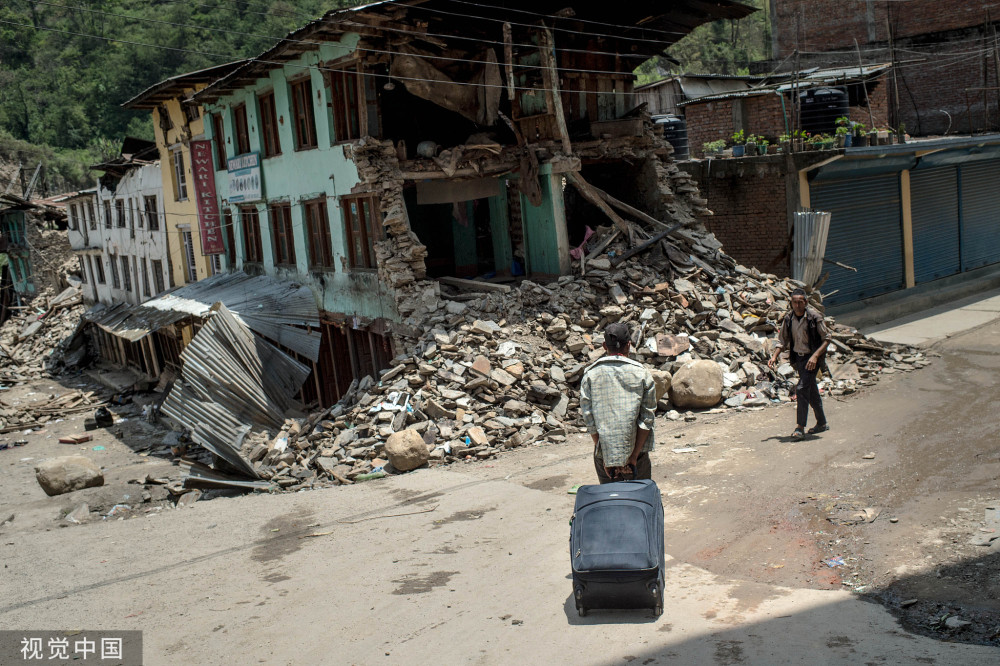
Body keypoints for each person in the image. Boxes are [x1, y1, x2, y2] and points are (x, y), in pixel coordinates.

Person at [580, 322, 657, 483]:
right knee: (639, 500)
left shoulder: (590, 375)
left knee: (611, 501)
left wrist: (606, 456)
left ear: (604, 346)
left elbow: (589, 418)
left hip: (604, 456)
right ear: (628, 345)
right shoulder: (642, 373)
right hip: (638, 455)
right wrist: (634, 456)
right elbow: (647, 418)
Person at [768, 288, 831, 440]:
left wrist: (815, 356)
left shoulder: (814, 317)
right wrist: (774, 356)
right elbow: (782, 340)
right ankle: (821, 423)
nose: (797, 305)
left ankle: (799, 428)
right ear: (791, 303)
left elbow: (827, 338)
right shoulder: (789, 319)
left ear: (805, 302)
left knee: (802, 389)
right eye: (794, 302)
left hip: (812, 359)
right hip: (799, 359)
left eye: (800, 302)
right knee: (811, 391)